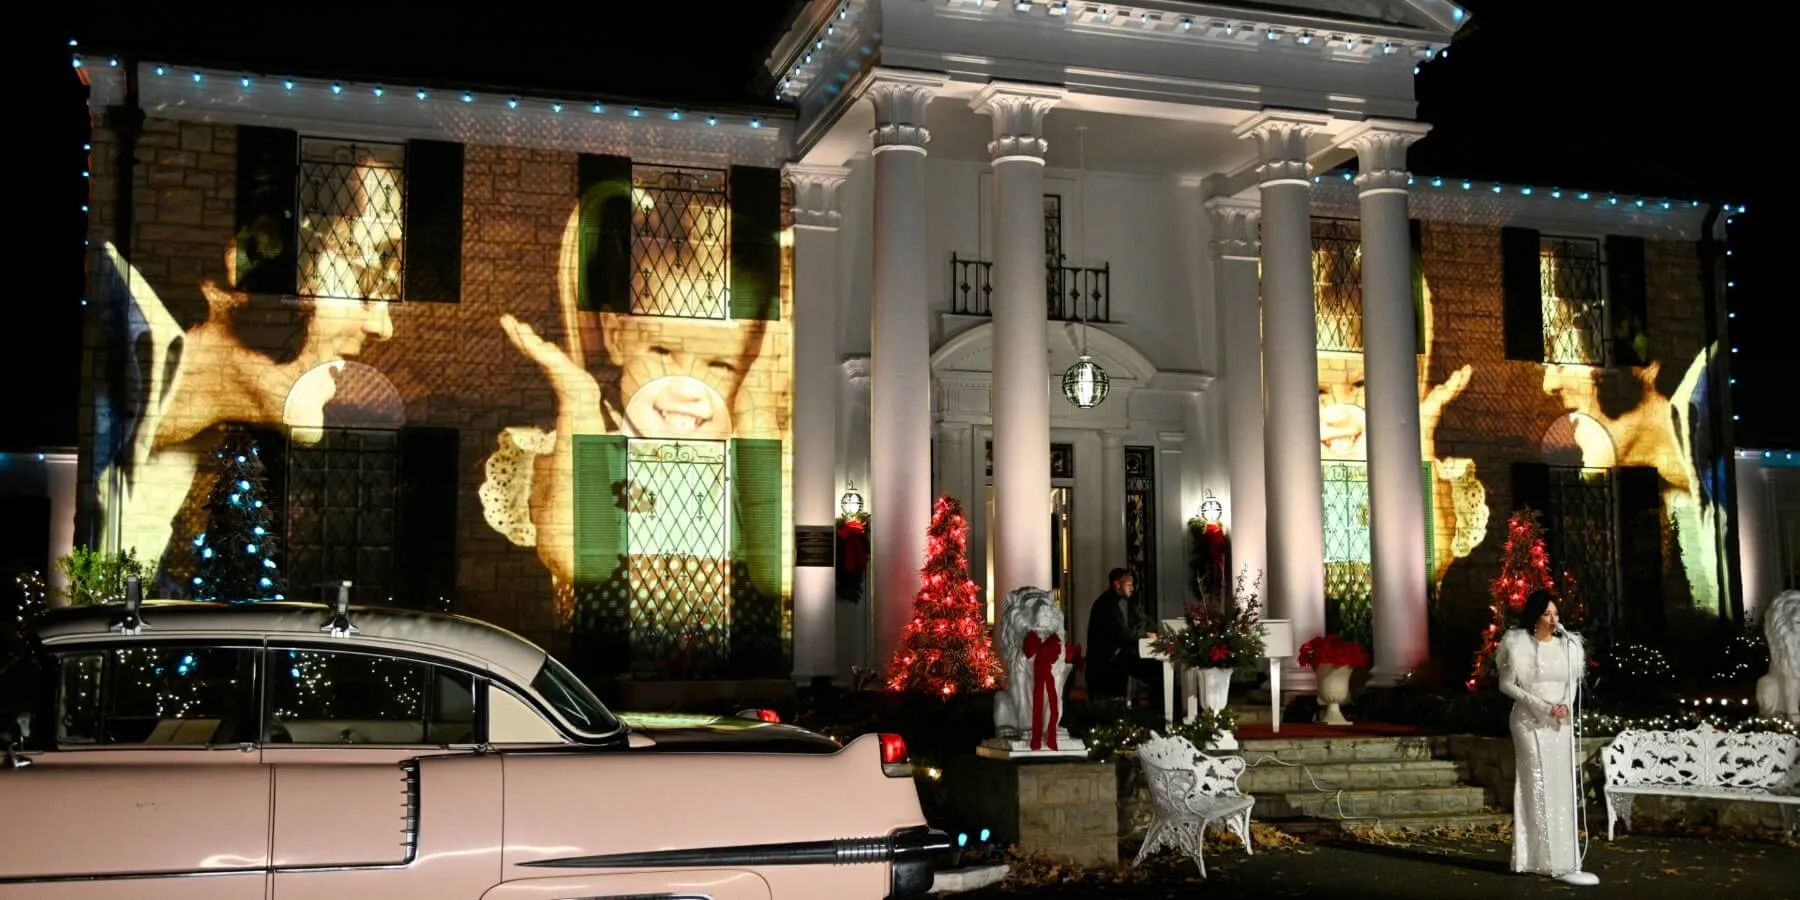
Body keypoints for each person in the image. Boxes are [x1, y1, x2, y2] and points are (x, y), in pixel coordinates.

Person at [1496, 590, 1597, 886]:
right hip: (1529, 720)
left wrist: (1565, 703)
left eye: (1556, 613)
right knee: (1537, 781)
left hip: (1560, 721)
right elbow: (1506, 684)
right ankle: (1538, 857)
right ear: (1535, 617)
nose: (1553, 619)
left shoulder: (1569, 646)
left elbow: (1573, 681)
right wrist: (1541, 706)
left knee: (1560, 783)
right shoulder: (1518, 645)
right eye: (1547, 614)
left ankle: (1566, 857)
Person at [1085, 568, 1161, 707]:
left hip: (1110, 658)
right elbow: (1122, 634)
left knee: (1154, 667)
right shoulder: (1107, 605)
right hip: (1107, 662)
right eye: (1129, 584)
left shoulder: (1110, 602)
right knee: (1157, 670)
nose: (1132, 588)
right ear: (1117, 585)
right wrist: (1146, 635)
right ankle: (1159, 712)